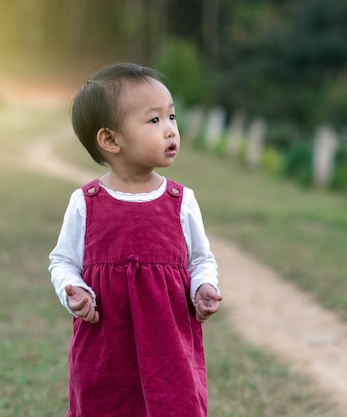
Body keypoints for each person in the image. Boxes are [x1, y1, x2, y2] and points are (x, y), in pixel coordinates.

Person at [48, 63, 222, 417]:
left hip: (169, 347)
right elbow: (63, 261)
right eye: (154, 121)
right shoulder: (87, 201)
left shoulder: (180, 200)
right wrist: (74, 291)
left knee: (174, 405)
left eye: (172, 117)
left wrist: (202, 285)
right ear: (111, 139)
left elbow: (200, 259)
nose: (171, 130)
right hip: (105, 348)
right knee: (105, 407)